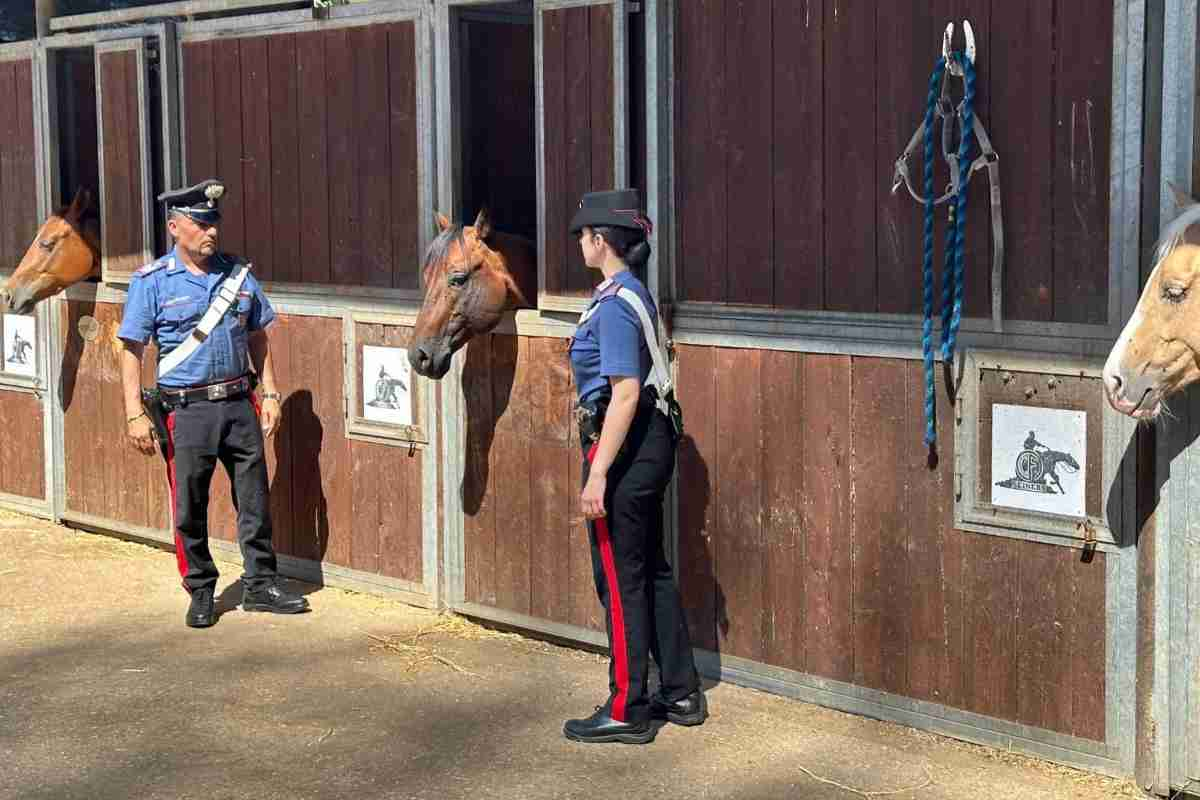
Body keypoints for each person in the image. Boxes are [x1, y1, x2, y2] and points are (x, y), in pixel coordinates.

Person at [118, 179, 309, 629]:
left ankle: (261, 584)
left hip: (239, 403)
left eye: (213, 223)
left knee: (254, 500)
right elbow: (131, 350)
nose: (211, 232)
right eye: (200, 223)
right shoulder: (151, 283)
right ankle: (201, 589)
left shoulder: (237, 275)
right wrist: (133, 413)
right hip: (187, 412)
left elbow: (258, 336)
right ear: (174, 227)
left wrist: (272, 394)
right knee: (190, 505)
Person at [562, 189, 705, 744]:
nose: (578, 242)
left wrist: (597, 471)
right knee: (651, 568)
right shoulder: (628, 294)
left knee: (620, 578)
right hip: (649, 439)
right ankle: (680, 689)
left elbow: (623, 394)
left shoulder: (617, 304)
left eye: (582, 235)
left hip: (625, 442)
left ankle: (627, 706)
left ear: (601, 241)